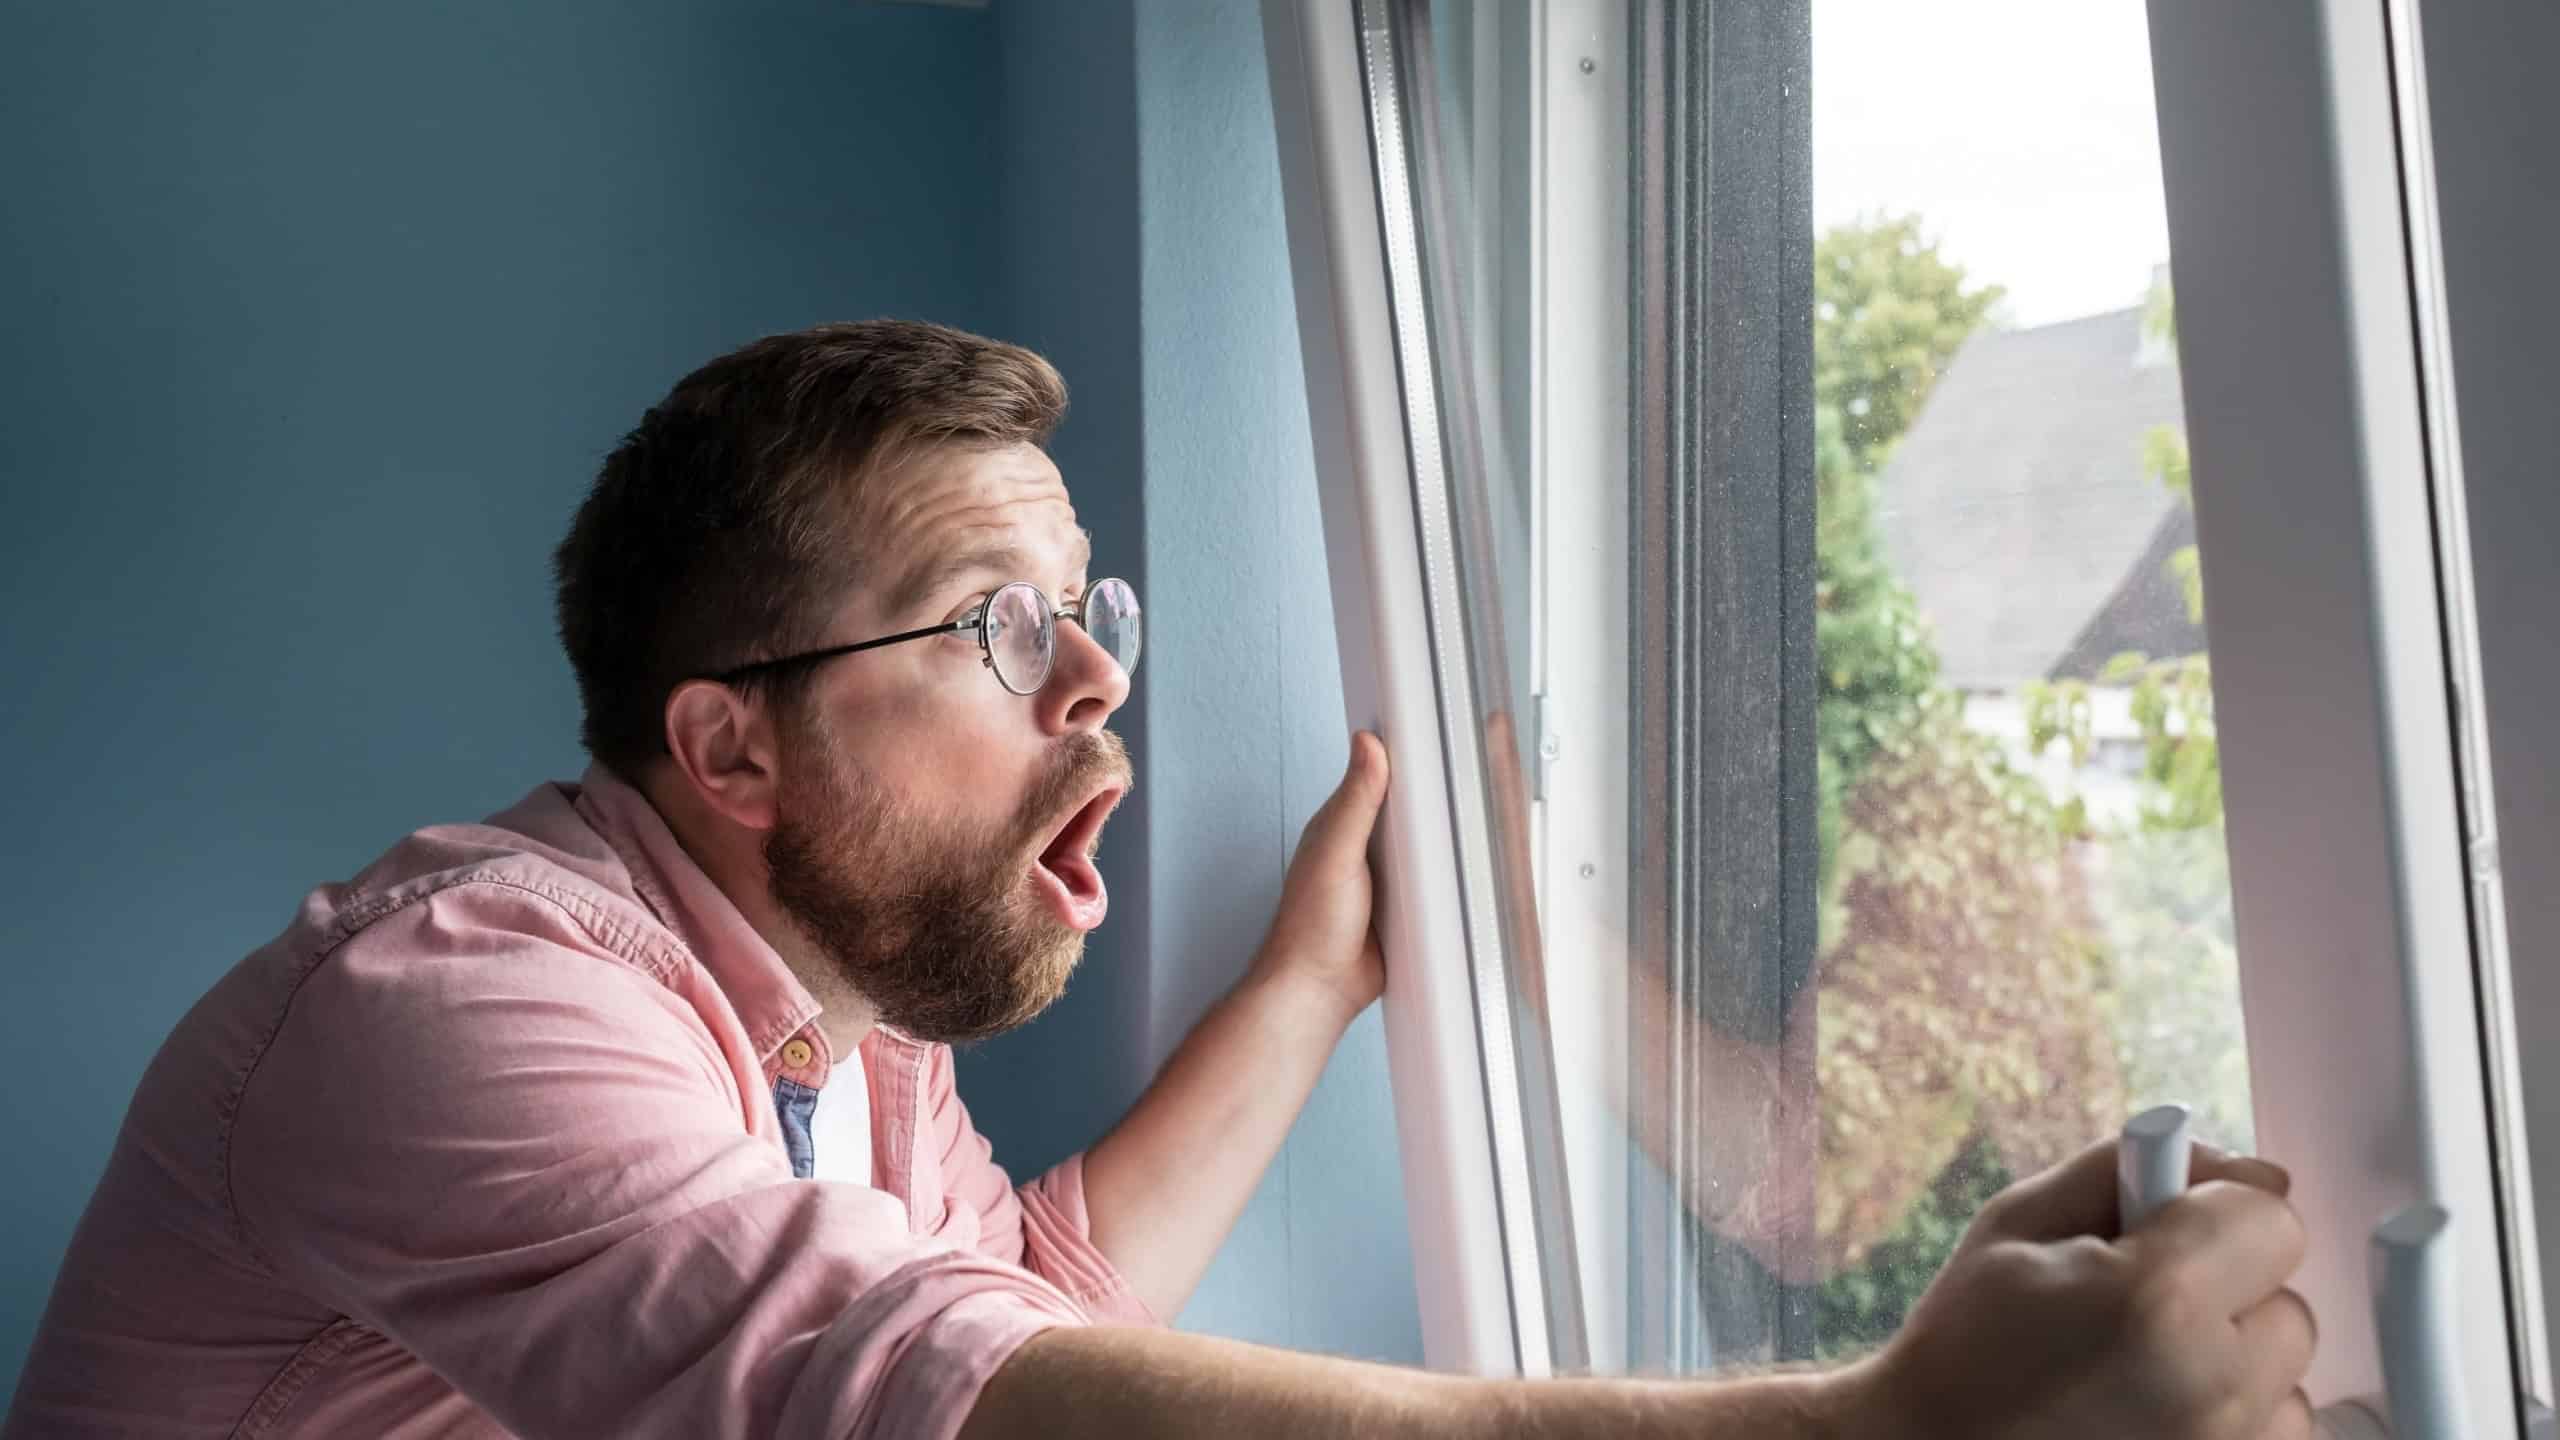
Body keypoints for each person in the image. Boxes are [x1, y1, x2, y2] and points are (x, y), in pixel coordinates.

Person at [5, 320, 2316, 1439]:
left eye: (1096, 620)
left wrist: (1315, 990)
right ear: (728, 745)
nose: (1098, 689)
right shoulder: (462, 1006)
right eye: (1005, 632)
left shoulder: (828, 1018)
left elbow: (1013, 1286)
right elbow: (924, 1379)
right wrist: (1864, 1433)